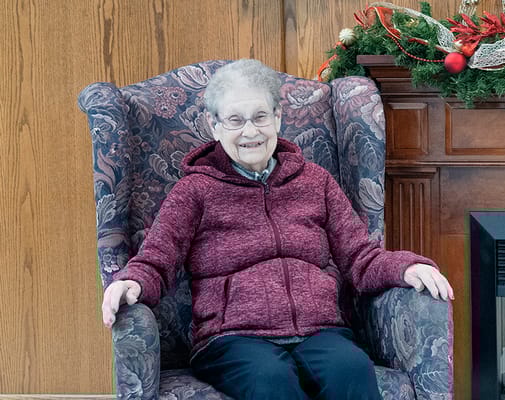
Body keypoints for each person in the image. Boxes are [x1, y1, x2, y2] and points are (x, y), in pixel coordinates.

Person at [100, 59, 454, 400]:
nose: (250, 132)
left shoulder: (315, 182)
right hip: (232, 338)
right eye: (236, 120)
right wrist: (133, 282)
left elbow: (361, 257)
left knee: (351, 370)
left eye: (260, 117)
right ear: (214, 125)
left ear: (278, 118)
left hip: (321, 330)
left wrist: (408, 267)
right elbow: (157, 258)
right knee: (270, 380)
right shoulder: (194, 191)